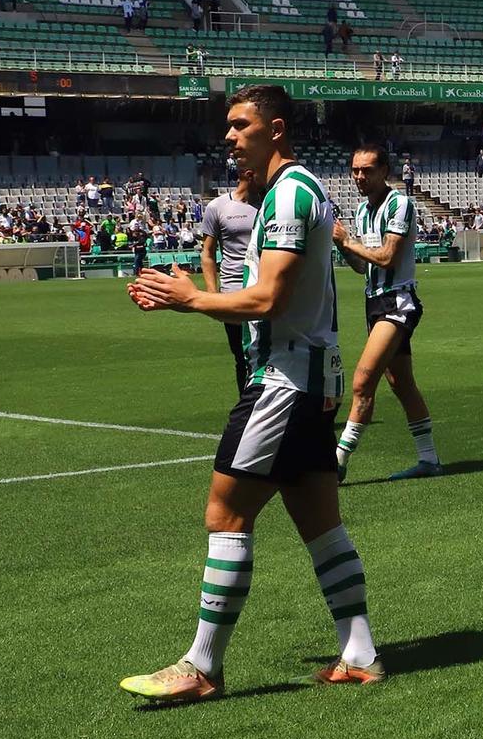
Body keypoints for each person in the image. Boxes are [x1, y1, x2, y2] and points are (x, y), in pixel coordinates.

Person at [121, 84, 381, 701]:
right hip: (310, 376)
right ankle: (361, 652)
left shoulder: (290, 193)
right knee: (319, 520)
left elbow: (269, 299)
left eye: (241, 127)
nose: (230, 138)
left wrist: (192, 299)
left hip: (286, 382)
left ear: (277, 129)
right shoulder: (290, 193)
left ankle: (202, 667)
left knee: (226, 511)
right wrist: (192, 301)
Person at [331, 146, 441, 482]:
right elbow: (363, 265)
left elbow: (388, 258)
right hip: (374, 302)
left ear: (384, 171)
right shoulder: (363, 211)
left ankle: (337, 462)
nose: (360, 177)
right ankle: (429, 460)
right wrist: (342, 247)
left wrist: (347, 242)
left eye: (367, 170)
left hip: (397, 302)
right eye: (355, 170)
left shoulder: (400, 204)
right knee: (402, 384)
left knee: (363, 381)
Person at [199, 169, 259, 395]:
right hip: (232, 290)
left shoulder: (270, 204)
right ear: (248, 174)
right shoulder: (217, 207)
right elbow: (207, 252)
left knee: (268, 352)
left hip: (262, 289)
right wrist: (212, 294)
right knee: (241, 356)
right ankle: (246, 406)